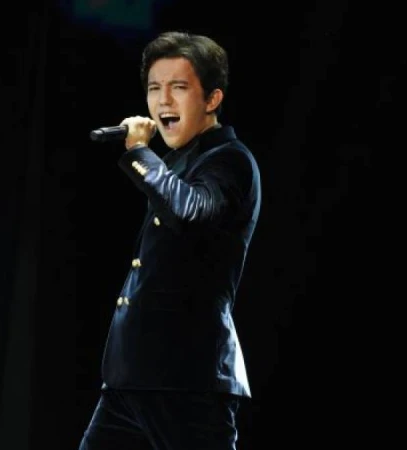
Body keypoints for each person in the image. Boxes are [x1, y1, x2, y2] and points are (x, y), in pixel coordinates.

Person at [79, 31, 261, 450]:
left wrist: (140, 152)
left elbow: (189, 211)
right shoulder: (180, 161)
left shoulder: (230, 161)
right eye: (154, 88)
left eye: (178, 88)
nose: (163, 101)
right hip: (131, 380)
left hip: (187, 381)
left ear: (212, 99)